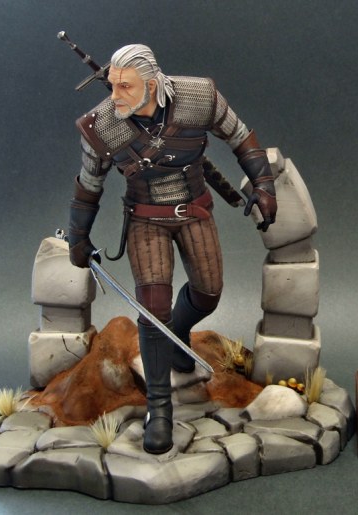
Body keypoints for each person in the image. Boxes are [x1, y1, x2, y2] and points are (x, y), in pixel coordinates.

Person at [67, 44, 277, 454]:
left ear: (152, 84)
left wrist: (264, 184)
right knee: (153, 309)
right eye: (113, 85)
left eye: (125, 87)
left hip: (195, 210)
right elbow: (89, 185)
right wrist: (79, 236)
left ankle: (178, 333)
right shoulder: (101, 124)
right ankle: (159, 408)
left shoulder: (199, 96)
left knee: (208, 293)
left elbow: (239, 136)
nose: (115, 95)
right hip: (145, 219)